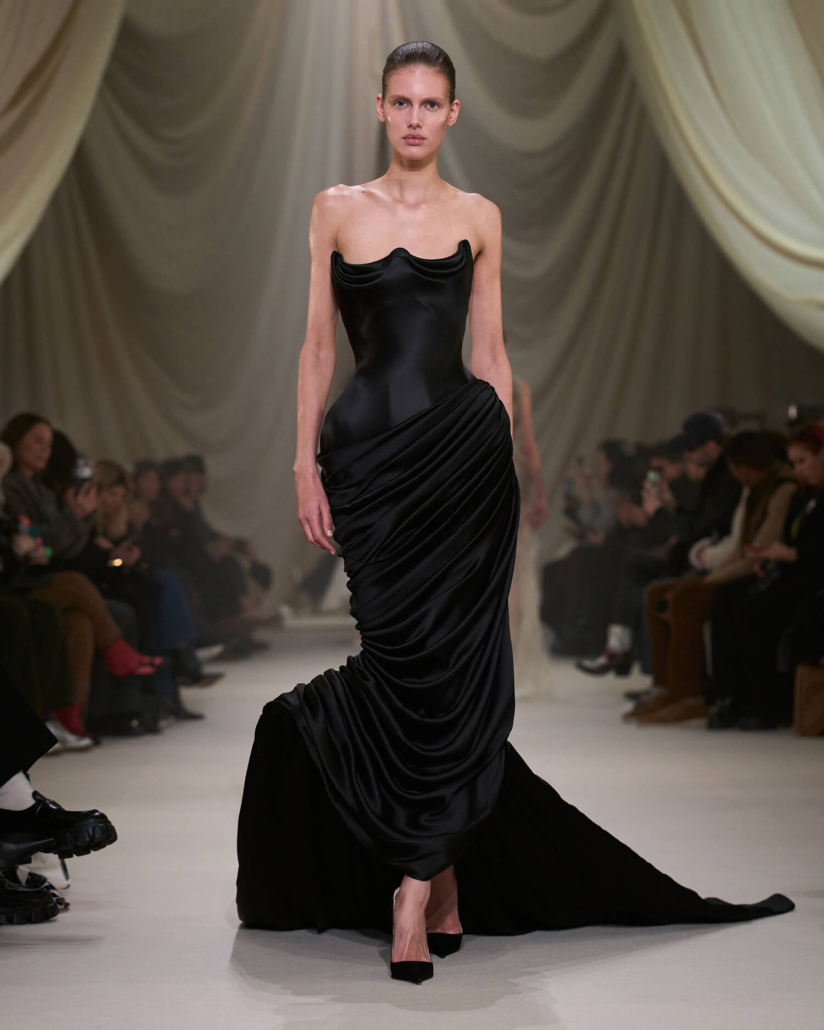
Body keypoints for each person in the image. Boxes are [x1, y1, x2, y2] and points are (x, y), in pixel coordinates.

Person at [235, 40, 793, 984]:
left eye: (432, 103)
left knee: (460, 669)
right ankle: (444, 869)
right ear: (381, 107)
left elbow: (491, 354)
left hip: (461, 462)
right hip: (367, 461)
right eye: (402, 101)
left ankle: (414, 888)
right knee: (400, 663)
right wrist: (301, 462)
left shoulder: (479, 216)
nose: (416, 117)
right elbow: (316, 348)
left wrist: (501, 473)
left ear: (454, 113)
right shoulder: (336, 208)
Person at [629, 431, 798, 724]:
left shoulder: (778, 490)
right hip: (735, 566)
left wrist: (709, 574)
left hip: (757, 571)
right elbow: (739, 546)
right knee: (665, 594)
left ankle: (696, 694)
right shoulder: (752, 491)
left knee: (690, 598)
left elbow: (753, 550)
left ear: (743, 466)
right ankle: (671, 688)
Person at [707, 422, 824, 729]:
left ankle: (765, 702)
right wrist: (776, 559)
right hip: (796, 571)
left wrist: (790, 555)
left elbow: (810, 548)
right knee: (729, 600)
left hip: (811, 577)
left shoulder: (793, 491)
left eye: (803, 461)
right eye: (794, 462)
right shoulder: (807, 495)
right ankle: (735, 695)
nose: (798, 469)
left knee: (751, 610)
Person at [508, 376, 550, 698]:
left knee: (493, 575)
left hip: (475, 481)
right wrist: (540, 493)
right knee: (515, 576)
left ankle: (491, 664)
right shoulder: (517, 386)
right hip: (509, 477)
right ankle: (511, 664)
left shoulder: (466, 377)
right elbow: (528, 445)